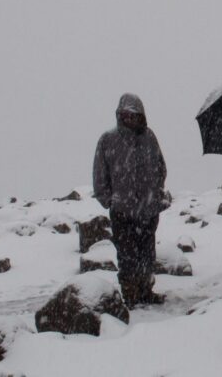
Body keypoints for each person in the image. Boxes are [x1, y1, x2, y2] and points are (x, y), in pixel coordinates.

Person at [93, 93, 169, 306]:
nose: (129, 118)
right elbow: (100, 175)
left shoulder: (149, 137)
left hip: (148, 209)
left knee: (147, 254)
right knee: (126, 256)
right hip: (122, 211)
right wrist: (109, 200)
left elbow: (161, 167)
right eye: (125, 115)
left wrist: (156, 192)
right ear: (119, 115)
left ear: (141, 115)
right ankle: (130, 294)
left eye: (133, 115)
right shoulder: (108, 140)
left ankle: (145, 291)